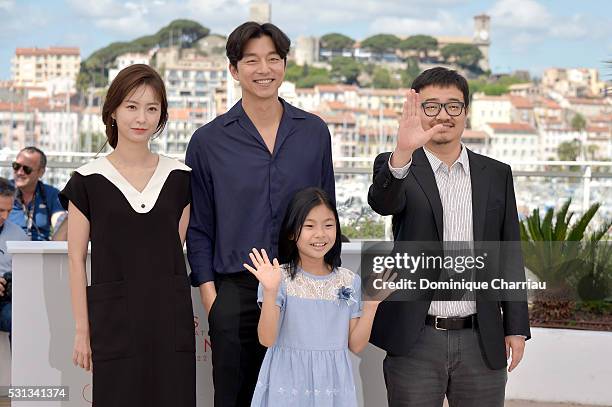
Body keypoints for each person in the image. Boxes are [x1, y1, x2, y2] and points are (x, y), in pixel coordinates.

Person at [186, 22, 335, 406]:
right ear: (234, 70)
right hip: (235, 293)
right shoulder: (208, 141)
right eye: (251, 60)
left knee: (301, 397)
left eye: (273, 58)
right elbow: (200, 228)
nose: (263, 69)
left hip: (302, 286)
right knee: (235, 398)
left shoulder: (314, 132)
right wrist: (211, 300)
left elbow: (328, 214)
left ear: (285, 65)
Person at [368, 67, 530, 407]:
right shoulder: (397, 164)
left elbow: (509, 253)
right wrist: (403, 151)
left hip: (480, 336)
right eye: (431, 106)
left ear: (466, 113)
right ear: (416, 111)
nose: (443, 114)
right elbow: (382, 203)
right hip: (416, 336)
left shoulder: (496, 174)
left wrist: (515, 326)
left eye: (453, 106)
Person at [60, 64, 195, 407]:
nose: (141, 118)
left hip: (168, 318)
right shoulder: (87, 179)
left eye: (152, 109)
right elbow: (76, 260)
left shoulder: (180, 178)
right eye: (132, 106)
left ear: (162, 116)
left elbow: (173, 248)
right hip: (114, 320)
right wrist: (82, 329)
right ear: (113, 111)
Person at [246, 188, 394, 407]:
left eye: (328, 225)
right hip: (287, 384)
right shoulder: (279, 279)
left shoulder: (348, 280)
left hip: (332, 387)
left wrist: (371, 304)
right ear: (291, 232)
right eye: (309, 226)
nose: (320, 234)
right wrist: (269, 291)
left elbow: (356, 345)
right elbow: (266, 339)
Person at [9, 146, 65, 241]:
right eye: (16, 166)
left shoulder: (51, 193)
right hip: (8, 249)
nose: (19, 172)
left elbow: (60, 221)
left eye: (27, 169)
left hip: (40, 251)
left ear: (41, 172)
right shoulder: (4, 190)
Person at [0, 177, 29, 345]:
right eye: (0, 210)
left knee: (21, 318)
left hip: (7, 303)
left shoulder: (18, 235)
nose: (4, 216)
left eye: (9, 211)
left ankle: (22, 371)